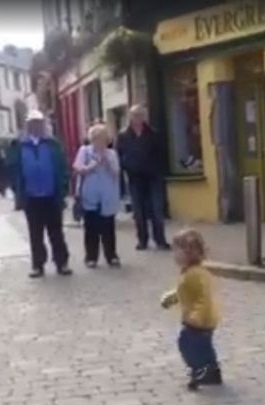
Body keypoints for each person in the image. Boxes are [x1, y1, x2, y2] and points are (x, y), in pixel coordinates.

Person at [8, 110, 72, 278]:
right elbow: (13, 169)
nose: (36, 127)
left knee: (56, 232)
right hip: (31, 197)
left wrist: (64, 188)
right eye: (32, 124)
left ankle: (61, 262)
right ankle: (38, 265)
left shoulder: (53, 144)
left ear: (43, 125)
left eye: (39, 123)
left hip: (52, 195)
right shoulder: (20, 146)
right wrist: (17, 191)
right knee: (35, 234)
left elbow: (63, 167)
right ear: (28, 126)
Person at [160, 229, 221, 390]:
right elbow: (185, 292)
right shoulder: (189, 273)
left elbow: (204, 297)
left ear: (189, 253)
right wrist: (171, 299)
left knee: (187, 344)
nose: (175, 255)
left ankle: (199, 370)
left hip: (200, 320)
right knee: (204, 346)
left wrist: (196, 316)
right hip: (202, 319)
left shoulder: (196, 274)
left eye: (177, 251)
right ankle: (212, 372)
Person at [116, 104, 170, 251]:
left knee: (157, 210)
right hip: (135, 179)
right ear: (130, 117)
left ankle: (160, 240)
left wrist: (159, 171)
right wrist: (126, 167)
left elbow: (162, 154)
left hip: (153, 177)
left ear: (145, 117)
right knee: (138, 212)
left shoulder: (153, 133)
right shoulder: (123, 136)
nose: (138, 118)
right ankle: (142, 240)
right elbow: (118, 156)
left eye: (140, 115)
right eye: (135, 115)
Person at [73, 123, 121, 268]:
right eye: (96, 139)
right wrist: (93, 166)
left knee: (108, 227)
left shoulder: (112, 153)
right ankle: (91, 257)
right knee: (91, 228)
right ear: (92, 139)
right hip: (90, 195)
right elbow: (78, 169)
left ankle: (111, 255)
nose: (100, 142)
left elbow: (116, 173)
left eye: (103, 139)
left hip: (108, 195)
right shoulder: (84, 151)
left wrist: (106, 163)